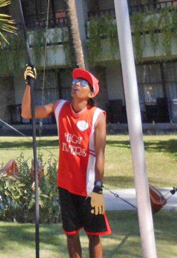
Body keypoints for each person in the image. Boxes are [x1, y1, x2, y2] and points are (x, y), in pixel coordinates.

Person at [21, 67, 110, 258]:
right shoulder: (59, 107)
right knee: (71, 234)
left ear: (91, 93)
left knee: (94, 236)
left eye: (83, 83)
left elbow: (100, 154)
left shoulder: (97, 116)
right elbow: (27, 113)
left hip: (90, 188)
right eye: (75, 81)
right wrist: (29, 84)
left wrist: (99, 188)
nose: (76, 84)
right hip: (66, 186)